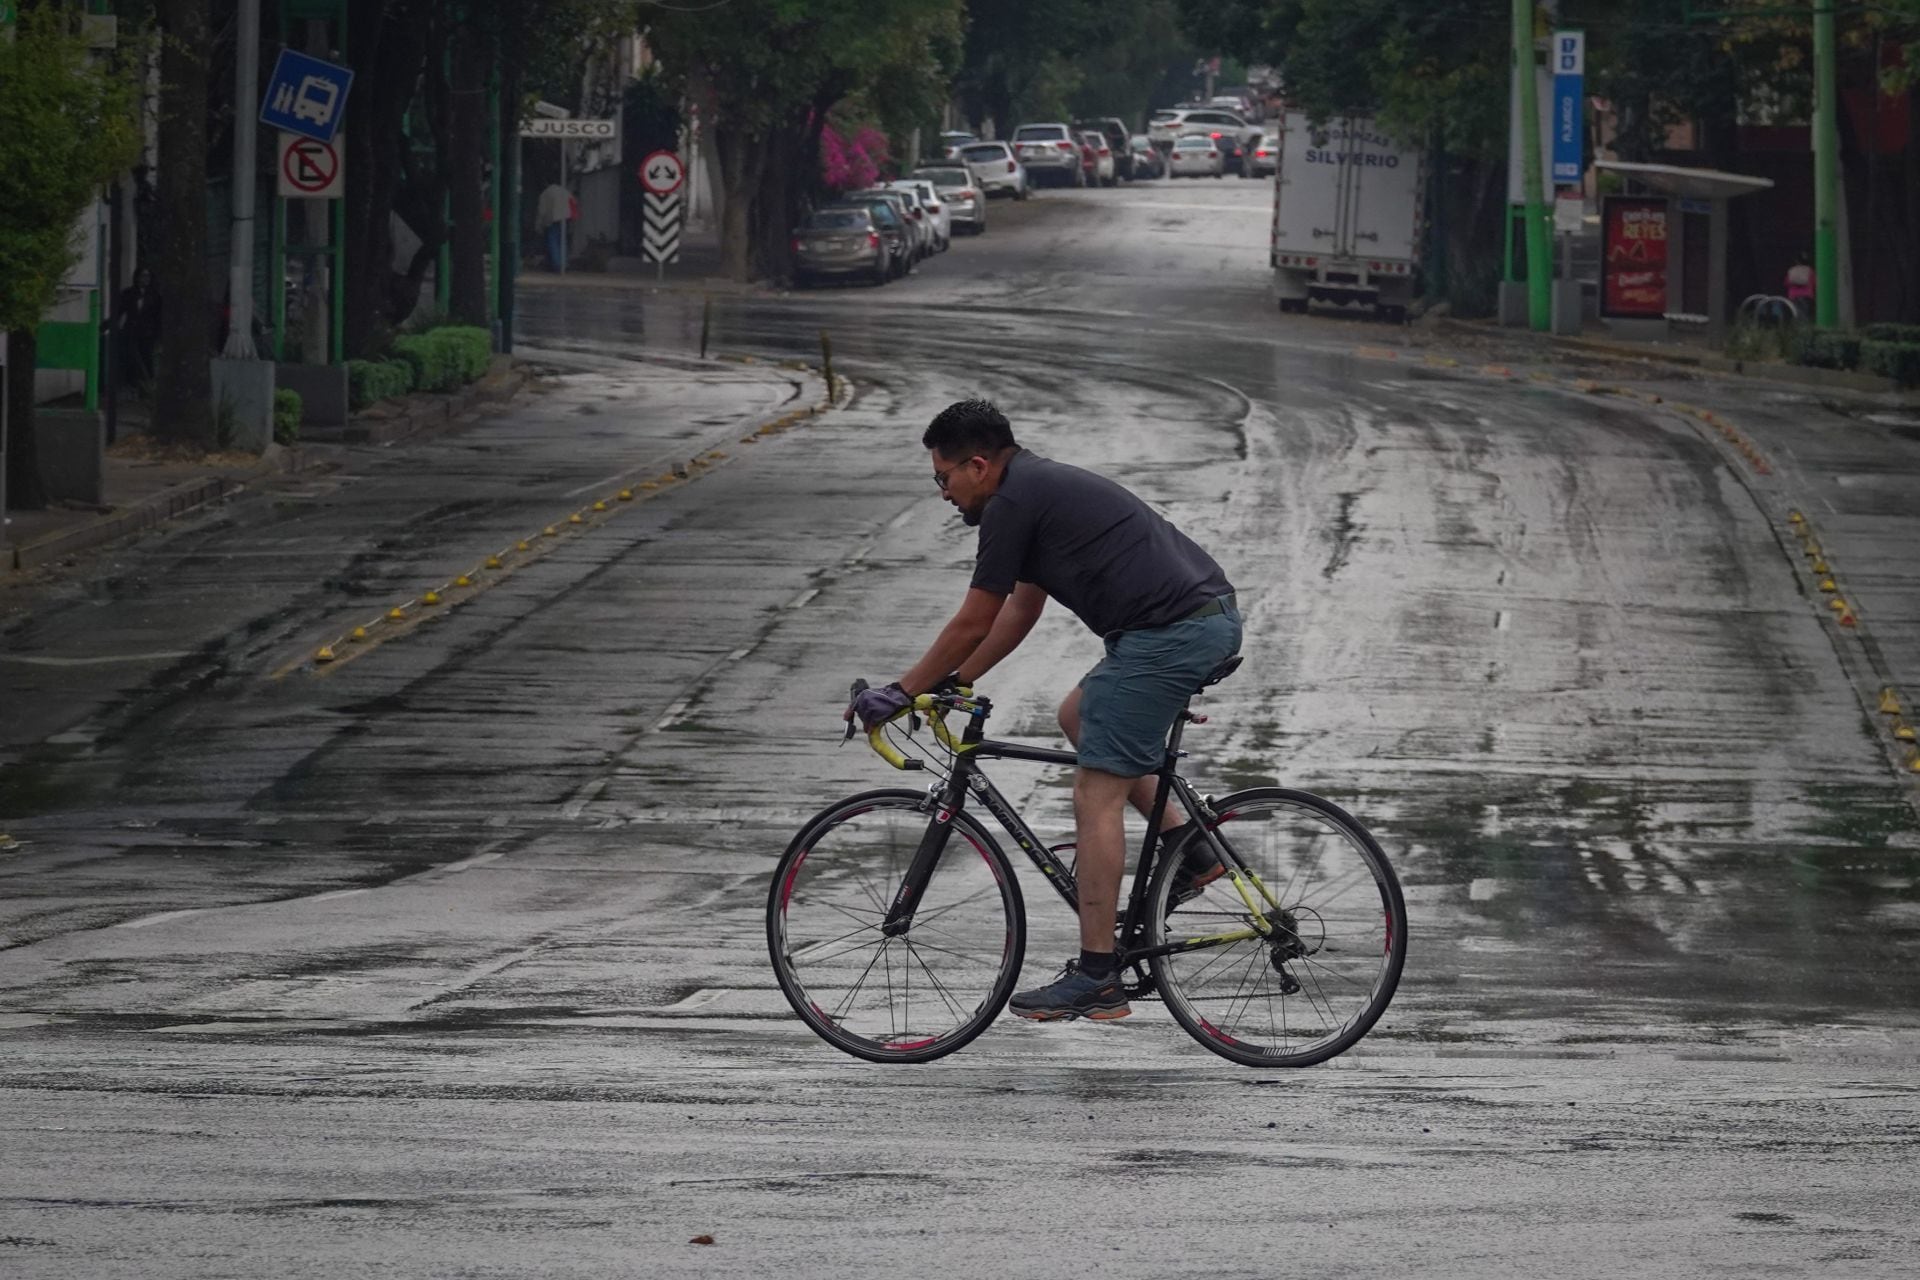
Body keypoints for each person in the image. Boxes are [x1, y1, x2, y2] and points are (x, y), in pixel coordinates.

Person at [848, 400, 1242, 1023]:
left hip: (1170, 634)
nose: (942, 493)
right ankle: (1192, 849)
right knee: (1080, 720)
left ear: (978, 466)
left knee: (1095, 793)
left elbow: (975, 615)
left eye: (943, 478)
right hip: (1183, 627)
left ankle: (1098, 975)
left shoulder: (1012, 503)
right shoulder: (1032, 489)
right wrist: (957, 680)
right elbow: (1019, 611)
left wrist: (900, 691)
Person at [114, 266, 161, 391]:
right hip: (131, 332)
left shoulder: (155, 296)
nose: (145, 279)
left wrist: (157, 335)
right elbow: (119, 311)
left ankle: (147, 385)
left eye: (148, 276)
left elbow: (158, 317)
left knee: (147, 358)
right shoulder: (128, 294)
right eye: (143, 276)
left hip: (147, 334)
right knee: (132, 359)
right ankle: (133, 385)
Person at [537, 182, 575, 271]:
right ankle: (565, 264)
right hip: (566, 218)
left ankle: (557, 265)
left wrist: (539, 225)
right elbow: (573, 202)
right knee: (563, 241)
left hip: (553, 219)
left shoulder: (545, 193)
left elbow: (542, 211)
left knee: (552, 242)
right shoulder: (565, 191)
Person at [1785, 252, 1815, 317]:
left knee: (1795, 312)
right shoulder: (1809, 270)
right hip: (1806, 294)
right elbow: (1814, 282)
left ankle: (1797, 325)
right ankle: (1804, 326)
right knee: (1805, 312)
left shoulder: (1791, 270)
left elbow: (1787, 282)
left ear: (1796, 261)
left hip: (1793, 294)